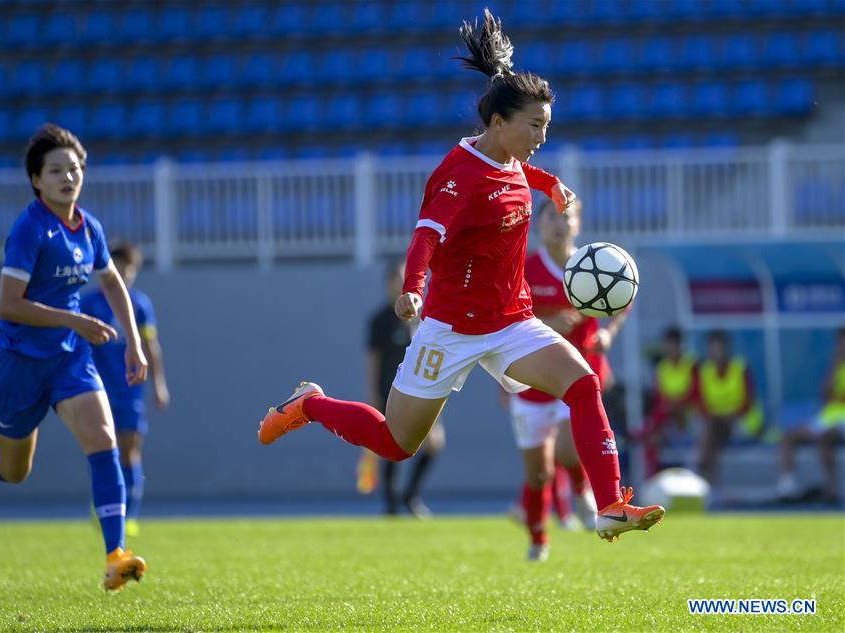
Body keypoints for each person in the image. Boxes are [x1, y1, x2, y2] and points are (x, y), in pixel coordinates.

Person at [257, 9, 664, 543]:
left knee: (584, 384)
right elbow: (426, 236)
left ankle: (610, 503)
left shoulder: (511, 157)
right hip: (449, 329)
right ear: (498, 123)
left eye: (547, 125)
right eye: (534, 125)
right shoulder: (457, 176)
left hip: (512, 322)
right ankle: (309, 403)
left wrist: (551, 185)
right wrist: (411, 288)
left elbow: (518, 172)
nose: (541, 136)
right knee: (396, 442)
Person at [0, 124, 148, 591]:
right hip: (18, 363)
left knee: (103, 441)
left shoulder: (89, 227)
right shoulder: (29, 229)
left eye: (74, 168)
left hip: (68, 358)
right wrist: (75, 321)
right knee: (11, 470)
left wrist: (133, 343)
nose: (67, 177)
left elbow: (113, 282)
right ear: (36, 179)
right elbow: (9, 305)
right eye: (56, 170)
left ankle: (116, 554)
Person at [506, 199, 629, 561]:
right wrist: (547, 325)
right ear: (538, 225)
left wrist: (609, 334)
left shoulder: (592, 265)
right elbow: (506, 321)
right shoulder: (523, 270)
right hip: (532, 385)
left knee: (566, 446)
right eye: (552, 217)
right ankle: (538, 538)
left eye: (567, 217)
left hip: (576, 380)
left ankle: (585, 491)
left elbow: (623, 299)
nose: (560, 224)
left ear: (578, 224)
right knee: (539, 475)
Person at [80, 242, 170, 536]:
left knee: (131, 450)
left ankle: (129, 513)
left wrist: (158, 384)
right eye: (115, 269)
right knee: (106, 448)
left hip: (130, 389)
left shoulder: (140, 305)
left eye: (126, 270)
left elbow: (150, 346)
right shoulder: (88, 303)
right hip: (96, 388)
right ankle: (105, 504)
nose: (121, 275)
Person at [358, 261, 444, 518]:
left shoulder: (420, 319)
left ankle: (409, 495)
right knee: (391, 447)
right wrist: (373, 394)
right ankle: (392, 503)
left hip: (420, 391)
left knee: (434, 443)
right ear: (388, 283)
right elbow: (372, 360)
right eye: (397, 278)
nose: (401, 283)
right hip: (390, 391)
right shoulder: (380, 320)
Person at [778, 328, 845, 502]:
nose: (841, 347)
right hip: (827, 419)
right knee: (789, 436)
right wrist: (835, 365)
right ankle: (787, 487)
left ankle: (832, 488)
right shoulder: (835, 367)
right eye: (839, 343)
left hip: (842, 423)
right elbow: (826, 396)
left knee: (824, 438)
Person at [693, 330, 759, 486]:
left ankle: (702, 471)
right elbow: (700, 402)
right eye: (712, 349)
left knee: (711, 433)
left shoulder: (740, 368)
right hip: (716, 424)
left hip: (742, 423)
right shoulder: (704, 371)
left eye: (719, 349)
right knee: (712, 433)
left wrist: (728, 416)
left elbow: (748, 402)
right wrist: (717, 416)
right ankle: (709, 479)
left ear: (727, 349)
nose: (716, 353)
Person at [634, 327, 697, 478]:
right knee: (653, 440)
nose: (671, 348)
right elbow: (659, 397)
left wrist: (676, 402)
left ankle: (645, 430)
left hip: (687, 415)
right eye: (668, 344)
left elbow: (695, 393)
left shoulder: (692, 365)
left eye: (674, 344)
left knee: (655, 428)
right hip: (668, 416)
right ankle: (653, 478)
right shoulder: (662, 367)